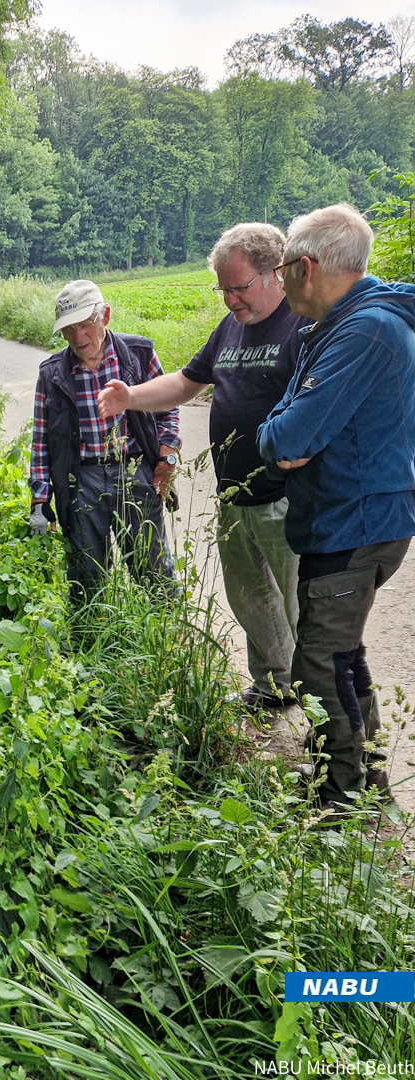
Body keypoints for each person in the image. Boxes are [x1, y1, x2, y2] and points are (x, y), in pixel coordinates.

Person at [97, 224, 310, 711]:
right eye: (223, 289)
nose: (230, 299)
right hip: (234, 496)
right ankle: (273, 685)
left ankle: (326, 721)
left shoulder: (302, 326)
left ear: (274, 273)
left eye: (239, 287)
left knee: (303, 610)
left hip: (287, 498)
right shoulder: (230, 328)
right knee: (250, 598)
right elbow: (186, 382)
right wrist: (130, 397)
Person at [257, 204, 415, 809]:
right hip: (345, 518)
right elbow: (289, 428)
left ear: (308, 266)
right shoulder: (339, 325)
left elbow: (287, 437)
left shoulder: (364, 331)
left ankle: (343, 794)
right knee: (341, 655)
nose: (282, 280)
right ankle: (361, 777)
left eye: (283, 268)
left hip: (356, 522)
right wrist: (284, 433)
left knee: (320, 663)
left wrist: (280, 437)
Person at [29, 279, 180, 597]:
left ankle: (166, 624)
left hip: (135, 471)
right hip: (82, 480)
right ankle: (92, 627)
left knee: (154, 571)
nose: (78, 337)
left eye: (85, 325)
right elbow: (41, 441)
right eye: (69, 330)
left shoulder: (139, 355)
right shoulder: (52, 374)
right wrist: (40, 501)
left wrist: (167, 457)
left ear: (105, 316)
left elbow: (168, 405)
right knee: (86, 580)